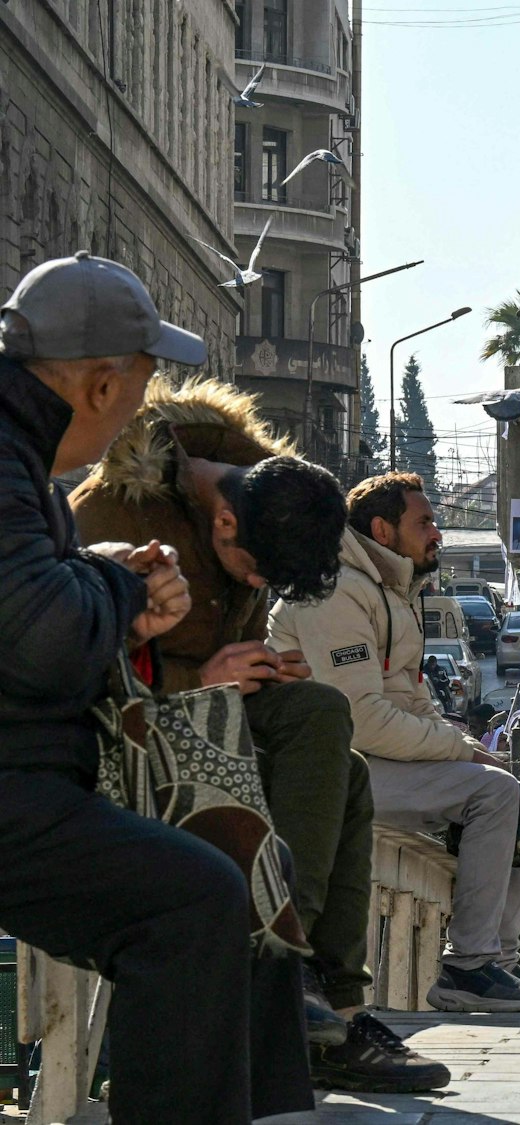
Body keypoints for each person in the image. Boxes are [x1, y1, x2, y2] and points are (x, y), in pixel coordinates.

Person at [66, 378, 446, 1090]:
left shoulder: (274, 496)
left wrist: (264, 668)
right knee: (314, 728)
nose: (255, 587)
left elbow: (238, 651)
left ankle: (328, 999)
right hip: (124, 728)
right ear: (224, 526)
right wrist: (200, 676)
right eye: (254, 576)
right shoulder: (116, 510)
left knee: (328, 728)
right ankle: (280, 968)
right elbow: (71, 664)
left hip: (211, 713)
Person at [0, 252, 305, 1123]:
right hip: (18, 785)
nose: (139, 408)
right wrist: (120, 587)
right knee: (191, 900)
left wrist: (97, 579)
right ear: (100, 385)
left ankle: (281, 1101)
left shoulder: (23, 458)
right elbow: (42, 634)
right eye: (137, 387)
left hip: (35, 773)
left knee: (235, 869)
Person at [270, 473, 520, 1014]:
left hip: (370, 761)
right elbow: (360, 719)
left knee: (517, 797)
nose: (437, 533)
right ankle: (468, 967)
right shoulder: (334, 589)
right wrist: (460, 751)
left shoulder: (391, 590)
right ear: (382, 529)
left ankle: (498, 964)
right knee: (494, 795)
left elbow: (410, 701)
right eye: (426, 523)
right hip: (327, 769)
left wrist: (460, 742)